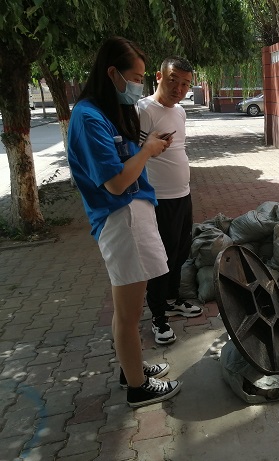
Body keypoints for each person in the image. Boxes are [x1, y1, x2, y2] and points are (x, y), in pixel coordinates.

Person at [67, 37, 182, 407]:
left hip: (134, 214)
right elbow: (116, 183)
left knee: (128, 309)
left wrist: (147, 149)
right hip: (122, 219)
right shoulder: (88, 118)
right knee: (130, 312)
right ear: (112, 73)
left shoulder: (107, 111)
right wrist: (147, 150)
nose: (138, 86)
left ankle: (130, 368)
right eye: (135, 78)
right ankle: (137, 387)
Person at [137, 57, 203, 345]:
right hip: (158, 199)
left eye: (185, 84)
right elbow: (134, 153)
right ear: (159, 76)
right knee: (160, 259)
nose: (179, 88)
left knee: (179, 252)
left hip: (182, 195)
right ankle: (158, 317)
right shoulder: (143, 110)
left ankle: (173, 300)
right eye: (174, 80)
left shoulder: (180, 111)